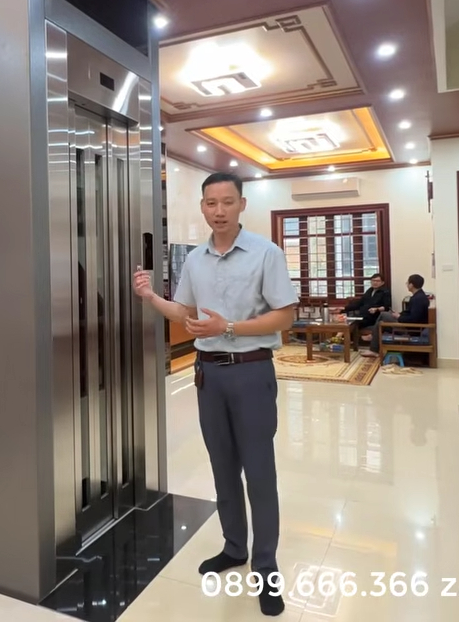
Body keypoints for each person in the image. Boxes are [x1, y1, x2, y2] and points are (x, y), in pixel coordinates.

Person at [133, 171, 297, 617]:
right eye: (211, 203)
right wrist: (150, 297)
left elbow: (285, 316)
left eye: (227, 202)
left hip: (251, 372)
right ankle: (234, 547)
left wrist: (229, 327)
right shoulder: (195, 261)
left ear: (242, 204)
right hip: (209, 375)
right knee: (222, 468)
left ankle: (266, 567)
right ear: (203, 207)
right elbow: (184, 312)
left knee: (259, 474)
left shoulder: (266, 253)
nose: (219, 211)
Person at [361, 273, 429, 358]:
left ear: (411, 285)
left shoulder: (418, 299)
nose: (407, 285)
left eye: (407, 283)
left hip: (411, 329)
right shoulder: (418, 296)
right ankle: (373, 350)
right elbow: (410, 313)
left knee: (383, 314)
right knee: (380, 323)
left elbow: (414, 319)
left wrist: (399, 317)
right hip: (409, 326)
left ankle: (373, 340)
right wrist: (399, 314)